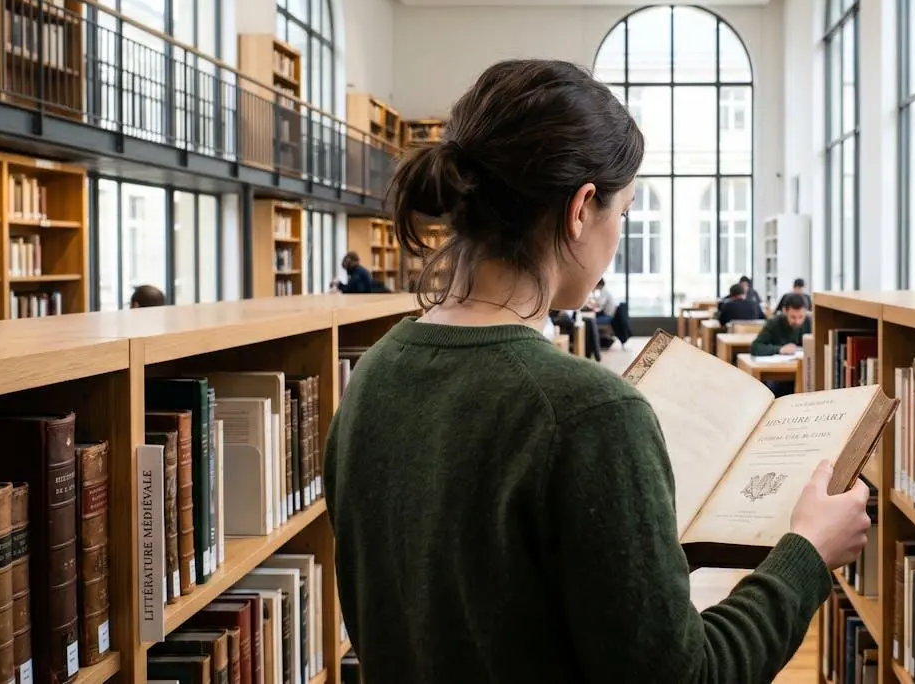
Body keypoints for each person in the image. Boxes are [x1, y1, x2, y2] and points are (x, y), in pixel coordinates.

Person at [324, 59, 870, 682]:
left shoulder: (372, 377)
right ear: (582, 207)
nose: (618, 237)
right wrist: (807, 555)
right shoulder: (587, 414)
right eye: (625, 213)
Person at [752, 292, 812, 358]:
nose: (797, 321)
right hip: (777, 365)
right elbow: (755, 347)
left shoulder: (810, 322)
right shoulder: (774, 323)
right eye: (793, 317)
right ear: (784, 311)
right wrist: (780, 349)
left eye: (801, 317)